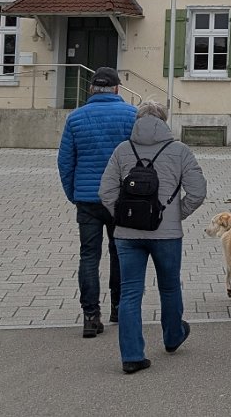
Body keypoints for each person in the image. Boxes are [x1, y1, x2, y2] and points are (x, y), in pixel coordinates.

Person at [99, 101, 207, 375]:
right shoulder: (179, 150)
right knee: (169, 286)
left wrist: (122, 216)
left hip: (126, 234)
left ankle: (132, 356)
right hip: (166, 234)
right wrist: (174, 215)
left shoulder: (123, 150)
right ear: (164, 120)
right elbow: (198, 192)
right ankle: (172, 337)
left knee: (130, 292)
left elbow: (106, 191)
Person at [56, 66, 137, 338]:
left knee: (89, 255)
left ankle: (91, 316)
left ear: (91, 89)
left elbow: (65, 161)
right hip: (121, 198)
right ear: (117, 88)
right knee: (121, 252)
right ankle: (118, 307)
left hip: (87, 200)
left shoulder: (75, 118)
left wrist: (74, 193)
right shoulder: (131, 115)